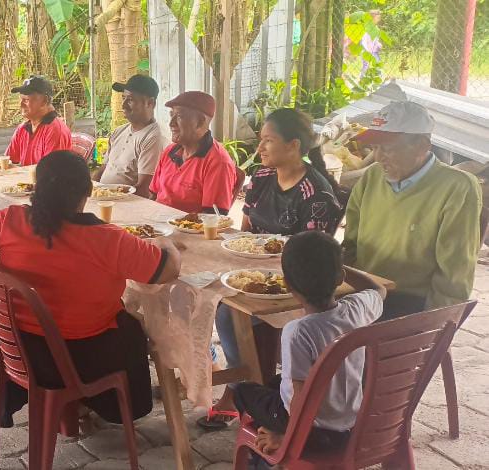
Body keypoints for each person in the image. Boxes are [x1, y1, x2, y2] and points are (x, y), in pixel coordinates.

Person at [0, 150, 182, 427]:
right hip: (85, 359)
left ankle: (73, 408)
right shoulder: (107, 239)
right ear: (88, 191)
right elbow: (168, 270)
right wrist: (168, 244)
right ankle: (107, 404)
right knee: (133, 327)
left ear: (37, 189)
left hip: (23, 354)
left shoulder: (10, 220)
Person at [199, 108, 345, 430]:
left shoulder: (316, 194)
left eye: (268, 140)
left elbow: (312, 258)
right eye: (261, 139)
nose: (260, 147)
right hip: (254, 272)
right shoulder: (263, 178)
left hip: (294, 284)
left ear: (293, 145)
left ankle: (243, 388)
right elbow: (245, 232)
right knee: (206, 292)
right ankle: (248, 380)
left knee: (227, 313)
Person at [231, 231, 385, 463]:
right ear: (340, 277)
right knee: (274, 382)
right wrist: (335, 268)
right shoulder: (357, 308)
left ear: (288, 285)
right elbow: (379, 290)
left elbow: (299, 399)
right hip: (349, 421)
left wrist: (287, 439)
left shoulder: (298, 332)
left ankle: (265, 458)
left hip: (313, 431)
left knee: (243, 392)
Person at [344, 101, 481, 321]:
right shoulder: (372, 176)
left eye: (388, 148)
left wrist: (435, 324)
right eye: (375, 148)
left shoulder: (457, 187)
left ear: (421, 145)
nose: (378, 157)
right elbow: (350, 245)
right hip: (364, 294)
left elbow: (456, 271)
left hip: (410, 303)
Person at [149, 91, 236, 214]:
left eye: (179, 116)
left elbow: (212, 218)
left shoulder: (218, 162)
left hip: (186, 226)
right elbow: (153, 195)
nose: (171, 123)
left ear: (200, 122)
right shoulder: (169, 151)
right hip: (156, 221)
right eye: (171, 115)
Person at [97, 74, 168, 196]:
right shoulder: (118, 132)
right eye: (123, 98)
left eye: (130, 100)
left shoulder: (154, 137)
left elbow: (144, 189)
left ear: (150, 103)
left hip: (128, 203)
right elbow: (102, 170)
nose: (123, 105)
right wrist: (90, 190)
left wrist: (109, 198)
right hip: (104, 200)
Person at [5, 75, 72, 166]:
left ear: (44, 101)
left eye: (26, 100)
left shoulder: (55, 130)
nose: (21, 105)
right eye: (20, 99)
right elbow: (8, 161)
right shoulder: (22, 128)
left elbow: (51, 172)